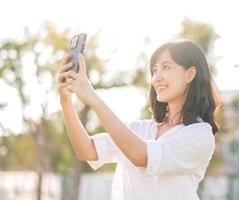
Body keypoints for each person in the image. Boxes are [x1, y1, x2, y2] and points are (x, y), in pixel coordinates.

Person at [56, 39, 221, 200]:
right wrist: (66, 101)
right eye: (154, 70)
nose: (157, 78)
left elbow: (142, 156)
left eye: (166, 67)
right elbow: (88, 151)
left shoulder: (200, 135)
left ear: (190, 74)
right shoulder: (139, 129)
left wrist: (93, 98)